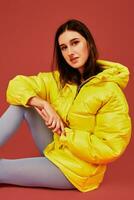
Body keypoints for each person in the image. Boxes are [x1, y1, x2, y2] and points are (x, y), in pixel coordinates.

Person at [0, 19, 131, 192]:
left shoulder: (110, 92)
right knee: (23, 103)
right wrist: (42, 103)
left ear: (89, 44)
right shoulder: (60, 80)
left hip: (76, 170)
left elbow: (109, 147)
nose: (70, 52)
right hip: (57, 148)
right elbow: (16, 85)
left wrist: (65, 134)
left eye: (75, 43)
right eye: (64, 47)